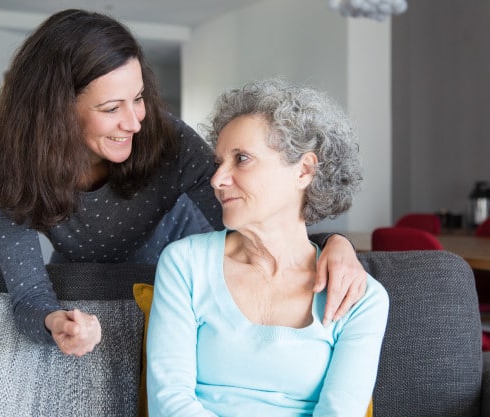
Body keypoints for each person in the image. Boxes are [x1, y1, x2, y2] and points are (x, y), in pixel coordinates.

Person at [0, 9, 367, 358]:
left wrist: (333, 243)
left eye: (138, 97)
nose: (134, 121)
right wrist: (55, 322)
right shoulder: (8, 170)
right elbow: (28, 296)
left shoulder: (167, 139)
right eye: (111, 108)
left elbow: (259, 220)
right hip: (84, 283)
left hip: (174, 280)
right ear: (53, 111)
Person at [147, 78, 389, 416]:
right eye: (219, 163)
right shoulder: (185, 263)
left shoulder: (361, 299)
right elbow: (169, 403)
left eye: (242, 159)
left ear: (304, 170)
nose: (217, 180)